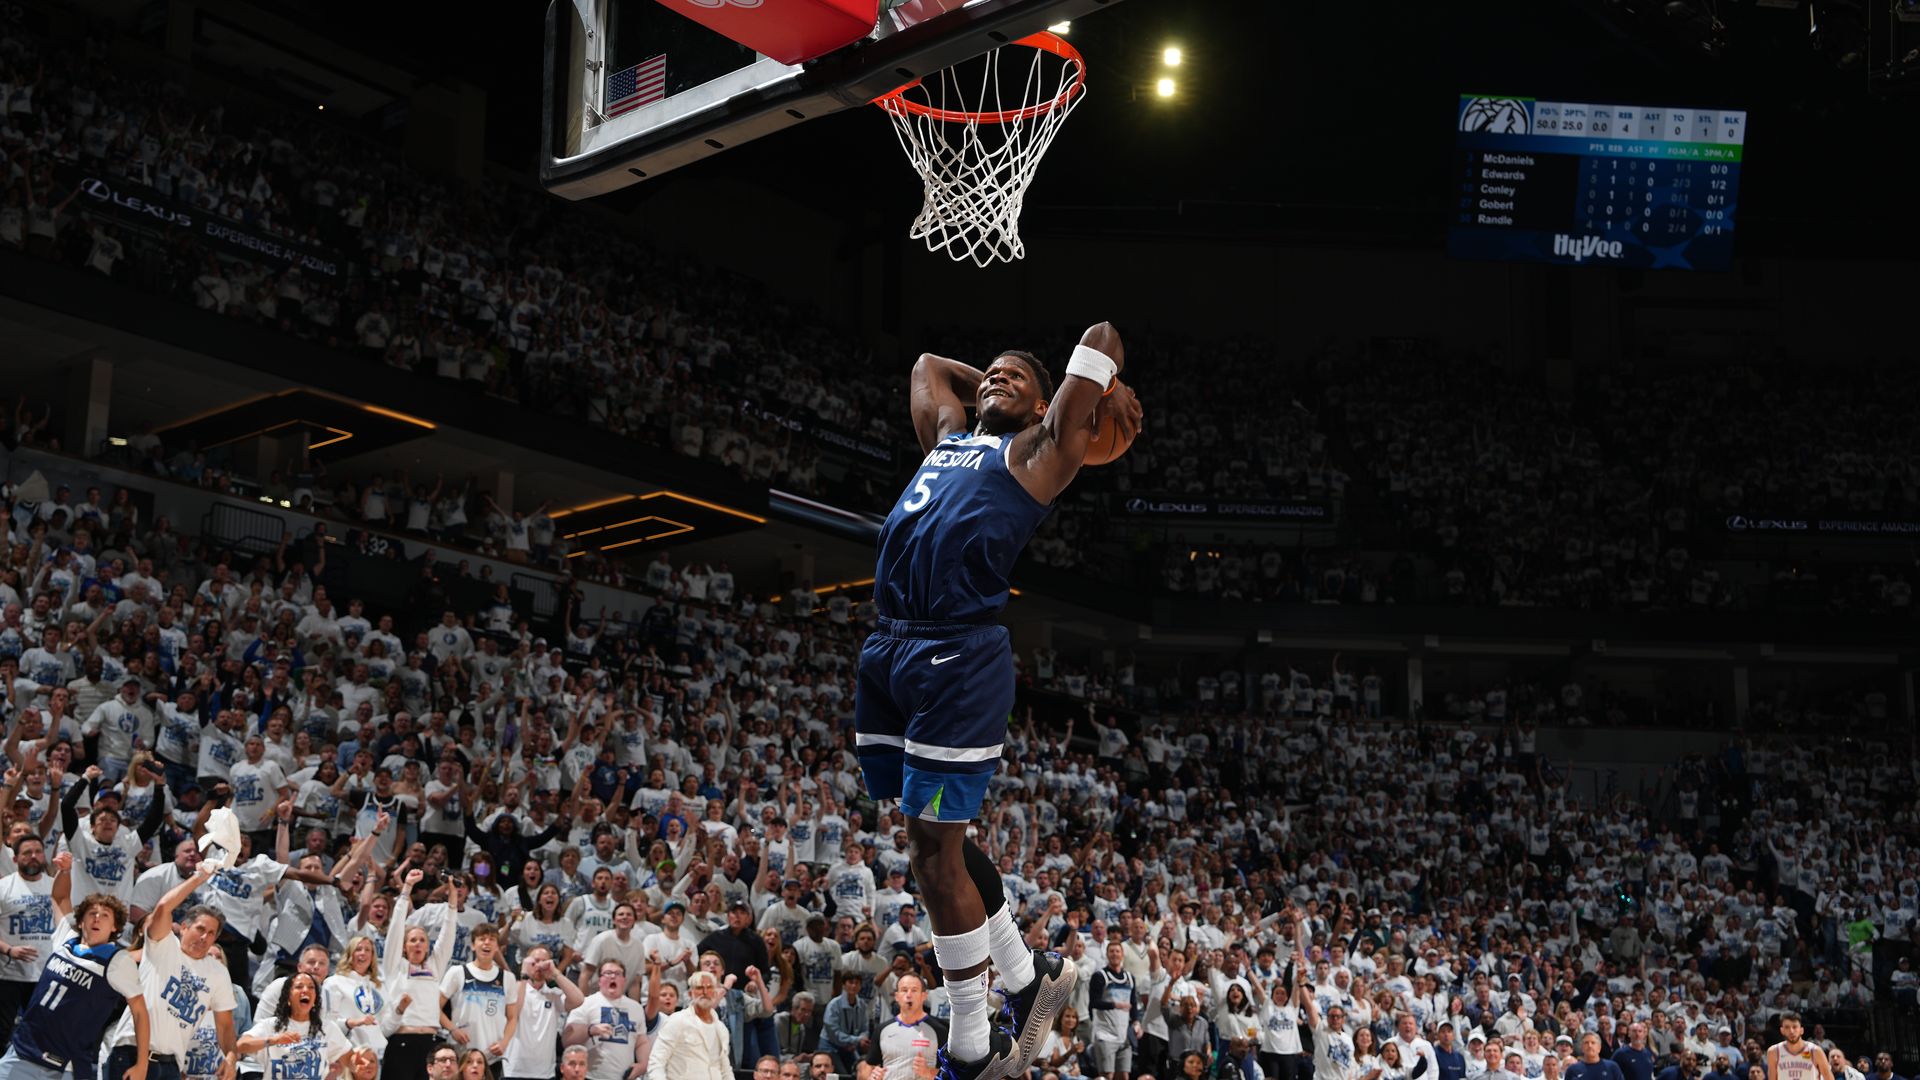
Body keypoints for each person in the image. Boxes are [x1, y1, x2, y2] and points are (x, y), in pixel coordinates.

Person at [855, 323, 1139, 1080]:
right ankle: (1026, 973)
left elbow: (1103, 335)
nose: (995, 380)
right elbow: (924, 364)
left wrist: (1083, 395)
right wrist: (995, 380)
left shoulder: (1039, 456)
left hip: (956, 652)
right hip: (890, 648)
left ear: (1047, 407)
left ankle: (975, 1047)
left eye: (1018, 377)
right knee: (927, 835)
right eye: (993, 374)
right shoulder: (950, 438)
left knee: (929, 850)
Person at [0, 852, 148, 1080]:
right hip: (23, 1051)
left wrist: (142, 1063)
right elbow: (59, 897)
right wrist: (65, 870)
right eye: (92, 913)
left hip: (65, 1064)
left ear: (115, 927)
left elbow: (139, 1012)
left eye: (105, 915)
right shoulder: (65, 937)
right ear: (81, 921)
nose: (97, 918)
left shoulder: (117, 961)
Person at [113, 855, 236, 1080]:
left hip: (171, 1065)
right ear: (184, 927)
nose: (204, 937)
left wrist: (230, 1055)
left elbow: (225, 1025)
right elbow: (162, 907)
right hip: (132, 1052)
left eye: (211, 934)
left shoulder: (218, 972)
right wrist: (199, 878)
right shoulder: (164, 945)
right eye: (200, 929)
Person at [385, 870, 460, 1080]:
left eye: (422, 940)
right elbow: (395, 929)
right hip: (401, 1042)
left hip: (431, 1043)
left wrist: (452, 898)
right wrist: (406, 889)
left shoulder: (435, 965)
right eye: (413, 940)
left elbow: (448, 933)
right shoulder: (395, 966)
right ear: (403, 946)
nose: (418, 943)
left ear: (428, 946)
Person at [229, 971, 350, 1080]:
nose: (305, 990)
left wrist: (335, 1072)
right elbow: (240, 1046)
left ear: (315, 999)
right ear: (288, 997)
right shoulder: (270, 1025)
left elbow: (352, 1060)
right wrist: (273, 1040)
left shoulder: (327, 1028)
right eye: (299, 986)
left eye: (311, 987)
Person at [439, 923, 521, 1068]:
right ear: (472, 945)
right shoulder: (457, 972)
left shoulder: (508, 978)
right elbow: (435, 1007)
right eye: (482, 939)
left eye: (492, 939)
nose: (487, 942)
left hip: (492, 1055)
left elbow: (513, 1017)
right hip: (462, 1053)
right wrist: (452, 1029)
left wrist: (505, 1042)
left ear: (497, 947)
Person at [503, 947, 585, 1080]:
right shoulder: (516, 989)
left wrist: (556, 974)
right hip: (515, 1070)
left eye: (544, 962)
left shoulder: (553, 994)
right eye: (535, 962)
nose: (539, 966)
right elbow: (514, 1012)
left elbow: (579, 1000)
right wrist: (524, 974)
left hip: (545, 1073)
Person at [563, 961, 649, 1080]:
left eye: (618, 973)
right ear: (599, 980)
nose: (613, 976)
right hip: (590, 1076)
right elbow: (567, 1041)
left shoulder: (636, 1007)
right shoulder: (585, 1003)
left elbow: (641, 1041)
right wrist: (589, 1030)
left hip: (624, 1077)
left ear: (624, 980)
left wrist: (643, 1064)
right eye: (608, 973)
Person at [645, 969, 730, 1080]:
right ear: (690, 994)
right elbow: (656, 1061)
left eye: (709, 987)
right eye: (699, 988)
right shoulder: (677, 1020)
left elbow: (725, 1070)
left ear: (714, 993)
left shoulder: (721, 1028)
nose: (705, 992)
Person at [860, 974, 944, 1080]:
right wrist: (872, 1077)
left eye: (914, 990)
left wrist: (929, 1072)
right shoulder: (882, 1030)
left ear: (924, 996)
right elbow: (868, 1067)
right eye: (904, 990)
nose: (909, 995)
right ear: (896, 996)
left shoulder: (939, 1030)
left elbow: (953, 1073)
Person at [1764, 1015, 1833, 1080]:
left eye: (1795, 1027)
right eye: (1787, 1027)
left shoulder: (1815, 1051)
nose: (1791, 1031)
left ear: (1801, 1030)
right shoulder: (1774, 1052)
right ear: (1782, 1030)